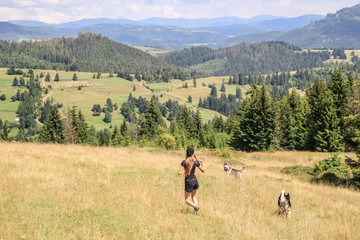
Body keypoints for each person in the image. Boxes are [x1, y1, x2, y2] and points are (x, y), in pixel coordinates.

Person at [178, 148, 205, 213]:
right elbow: (203, 170)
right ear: (193, 154)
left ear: (187, 153)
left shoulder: (184, 162)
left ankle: (196, 207)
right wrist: (202, 162)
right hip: (195, 181)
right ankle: (195, 212)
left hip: (188, 182)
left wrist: (180, 170)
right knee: (194, 197)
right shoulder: (195, 162)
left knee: (187, 200)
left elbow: (179, 173)